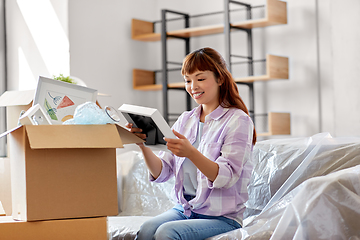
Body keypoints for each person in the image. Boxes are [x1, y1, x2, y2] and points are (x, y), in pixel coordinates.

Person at [127, 47, 256, 240]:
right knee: (147, 229)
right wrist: (142, 145)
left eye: (200, 78)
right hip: (185, 210)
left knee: (166, 232)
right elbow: (162, 172)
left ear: (220, 79)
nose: (193, 86)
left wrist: (191, 153)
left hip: (221, 217)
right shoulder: (186, 120)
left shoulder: (238, 120)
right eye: (188, 80)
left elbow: (227, 177)